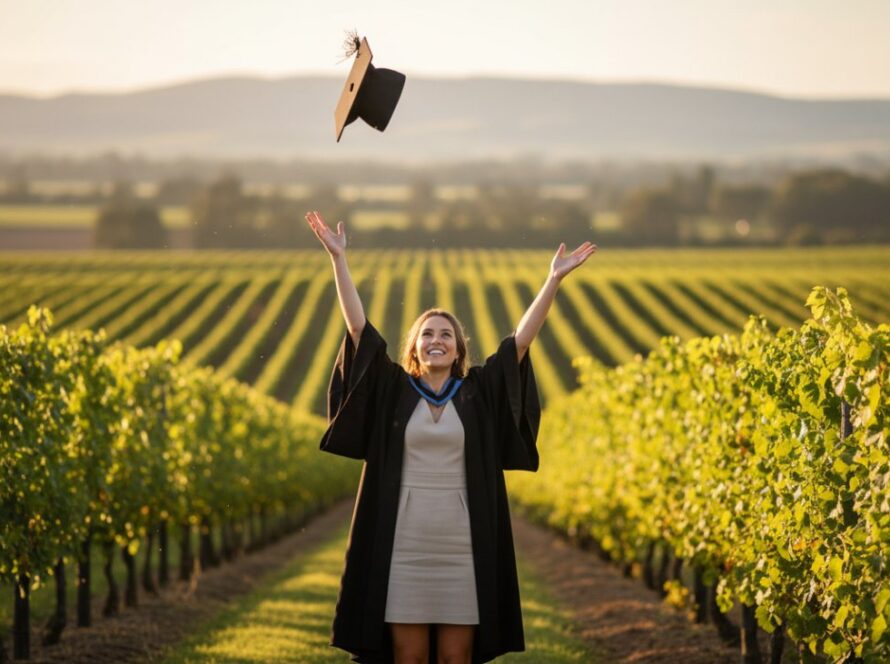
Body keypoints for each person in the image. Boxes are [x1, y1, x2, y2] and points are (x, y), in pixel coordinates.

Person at [305, 210, 596, 664]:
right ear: (415, 347)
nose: (435, 340)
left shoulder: (477, 392)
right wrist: (338, 260)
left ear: (459, 348)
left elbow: (519, 343)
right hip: (403, 541)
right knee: (410, 658)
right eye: (427, 334)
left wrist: (552, 281)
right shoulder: (394, 389)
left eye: (445, 334)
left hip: (464, 544)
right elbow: (359, 330)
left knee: (457, 659)